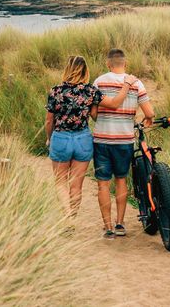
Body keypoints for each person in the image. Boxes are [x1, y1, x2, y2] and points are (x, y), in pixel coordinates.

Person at [44, 55, 134, 218]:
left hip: (61, 137)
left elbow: (49, 121)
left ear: (67, 70)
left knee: (60, 183)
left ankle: (67, 215)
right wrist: (126, 85)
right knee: (77, 186)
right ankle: (73, 217)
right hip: (83, 139)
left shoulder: (55, 91)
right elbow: (114, 104)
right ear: (85, 71)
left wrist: (49, 138)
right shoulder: (90, 91)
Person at [92, 48, 154, 239]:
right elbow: (149, 112)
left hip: (102, 139)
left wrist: (102, 117)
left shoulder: (98, 82)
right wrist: (147, 120)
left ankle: (108, 227)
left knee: (103, 184)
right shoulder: (136, 83)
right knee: (121, 180)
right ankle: (120, 224)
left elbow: (93, 114)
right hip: (124, 140)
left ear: (108, 63)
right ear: (125, 63)